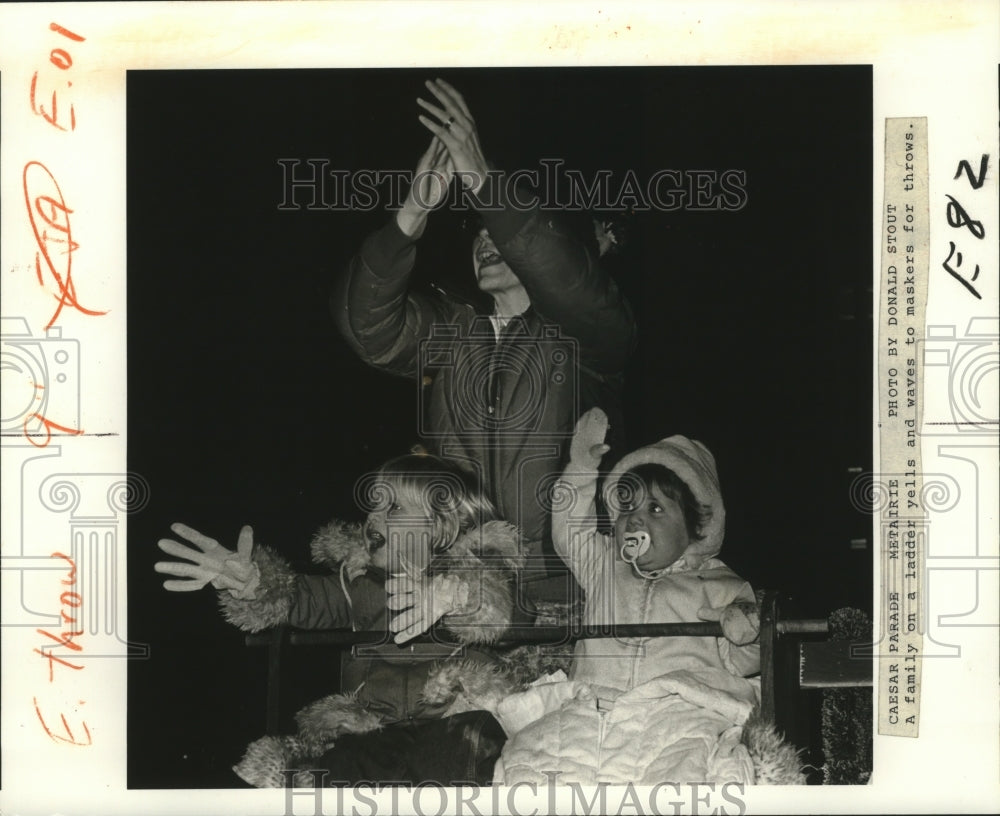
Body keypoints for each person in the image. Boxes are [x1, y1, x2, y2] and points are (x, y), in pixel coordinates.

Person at [332, 79, 636, 599]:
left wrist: (483, 181)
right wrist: (412, 214)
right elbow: (368, 328)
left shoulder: (588, 333)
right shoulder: (452, 331)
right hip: (456, 583)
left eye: (501, 228)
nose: (484, 239)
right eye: (477, 231)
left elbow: (570, 280)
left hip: (563, 581)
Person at [154, 453, 525, 786]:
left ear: (442, 526)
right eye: (373, 509)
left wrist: (453, 595)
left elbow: (495, 607)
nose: (372, 521)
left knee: (458, 752)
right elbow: (304, 598)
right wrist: (253, 584)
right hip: (381, 723)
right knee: (344, 763)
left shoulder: (472, 568)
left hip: (459, 713)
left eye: (393, 509)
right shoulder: (358, 582)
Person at [491, 408, 767, 785]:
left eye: (655, 508)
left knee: (683, 776)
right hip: (593, 707)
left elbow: (747, 662)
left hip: (678, 709)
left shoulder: (723, 585)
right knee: (530, 760)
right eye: (627, 508)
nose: (635, 519)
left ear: (696, 527)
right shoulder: (605, 564)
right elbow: (569, 533)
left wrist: (747, 625)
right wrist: (581, 469)